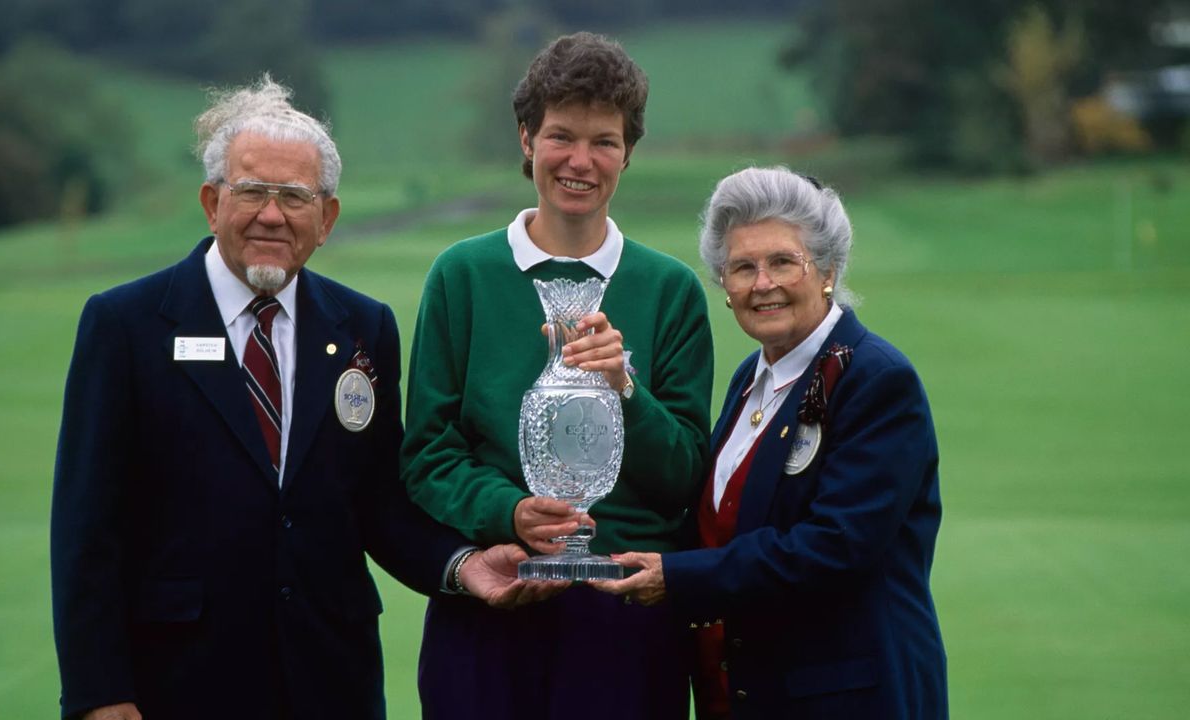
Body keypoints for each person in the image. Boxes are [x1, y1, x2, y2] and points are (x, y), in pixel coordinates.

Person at [50, 76, 546, 720]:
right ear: (211, 202)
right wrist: (99, 695)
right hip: (177, 682)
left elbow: (377, 500)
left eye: (294, 196)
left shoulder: (362, 327)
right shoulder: (127, 325)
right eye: (252, 191)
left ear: (328, 217)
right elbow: (86, 528)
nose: (271, 214)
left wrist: (462, 565)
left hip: (330, 680)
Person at [401, 32, 713, 719]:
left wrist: (626, 391)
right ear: (525, 140)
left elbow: (686, 477)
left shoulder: (671, 290)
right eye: (560, 136)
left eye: (603, 141)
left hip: (626, 623)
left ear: (628, 152)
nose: (580, 161)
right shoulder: (463, 275)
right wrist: (507, 512)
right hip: (493, 605)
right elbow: (427, 453)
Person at [595, 167, 948, 718]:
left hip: (846, 699)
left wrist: (677, 577)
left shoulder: (875, 380)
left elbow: (836, 547)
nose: (763, 283)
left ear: (828, 269)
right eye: (742, 267)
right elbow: (723, 523)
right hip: (743, 693)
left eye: (783, 261)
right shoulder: (750, 377)